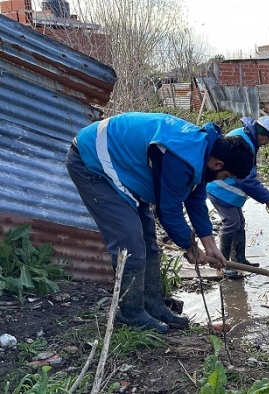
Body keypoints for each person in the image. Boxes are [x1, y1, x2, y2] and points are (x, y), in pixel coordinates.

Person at [66, 112, 254, 334]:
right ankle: (131, 313)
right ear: (218, 163)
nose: (221, 180)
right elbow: (168, 212)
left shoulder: (204, 150)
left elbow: (195, 199)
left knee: (148, 240)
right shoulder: (181, 157)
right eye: (224, 176)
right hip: (93, 162)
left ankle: (153, 305)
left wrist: (210, 245)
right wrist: (190, 247)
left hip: (124, 167)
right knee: (130, 243)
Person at [207, 116, 269, 277]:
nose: (268, 142)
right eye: (268, 138)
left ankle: (239, 259)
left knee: (239, 223)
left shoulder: (247, 138)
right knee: (231, 223)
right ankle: (223, 263)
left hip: (228, 192)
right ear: (261, 133)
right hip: (220, 189)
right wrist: (267, 198)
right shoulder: (243, 141)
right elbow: (246, 179)